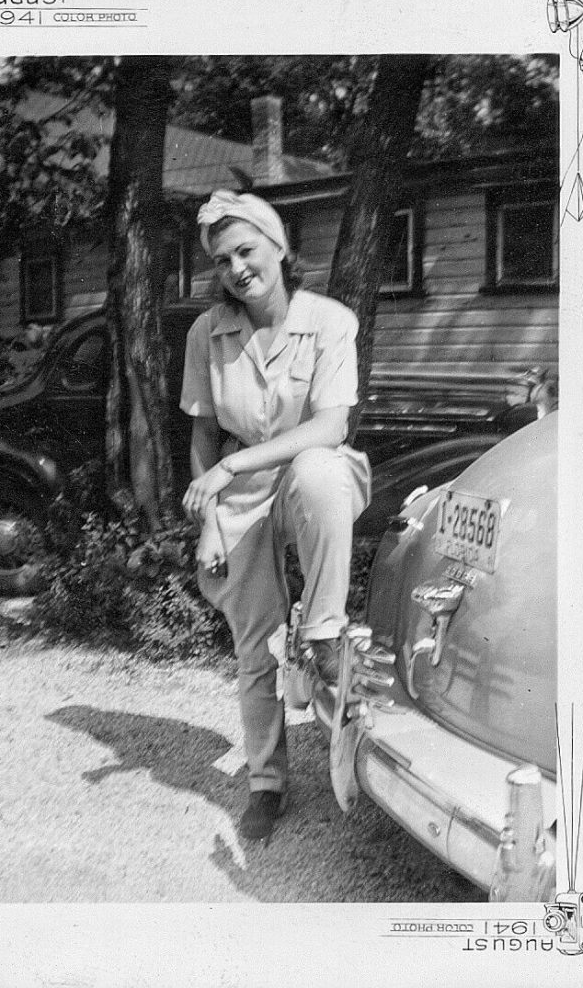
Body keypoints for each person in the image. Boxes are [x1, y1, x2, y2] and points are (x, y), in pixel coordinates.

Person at [180, 189, 371, 841]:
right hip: (239, 496)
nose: (236, 267)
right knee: (255, 640)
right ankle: (266, 781)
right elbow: (204, 434)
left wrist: (233, 464)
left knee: (319, 470)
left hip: (311, 479)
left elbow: (331, 423)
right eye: (222, 258)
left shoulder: (330, 322)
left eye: (246, 249)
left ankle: (322, 631)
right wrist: (209, 517)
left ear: (280, 246)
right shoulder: (208, 332)